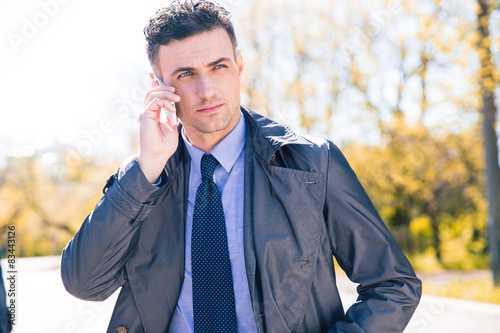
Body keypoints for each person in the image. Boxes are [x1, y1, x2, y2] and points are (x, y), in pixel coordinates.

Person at [61, 1, 422, 332]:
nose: (207, 90)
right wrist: (147, 168)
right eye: (185, 74)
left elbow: (393, 283)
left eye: (218, 67)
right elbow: (83, 282)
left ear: (240, 67)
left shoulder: (313, 164)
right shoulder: (144, 178)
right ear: (159, 86)